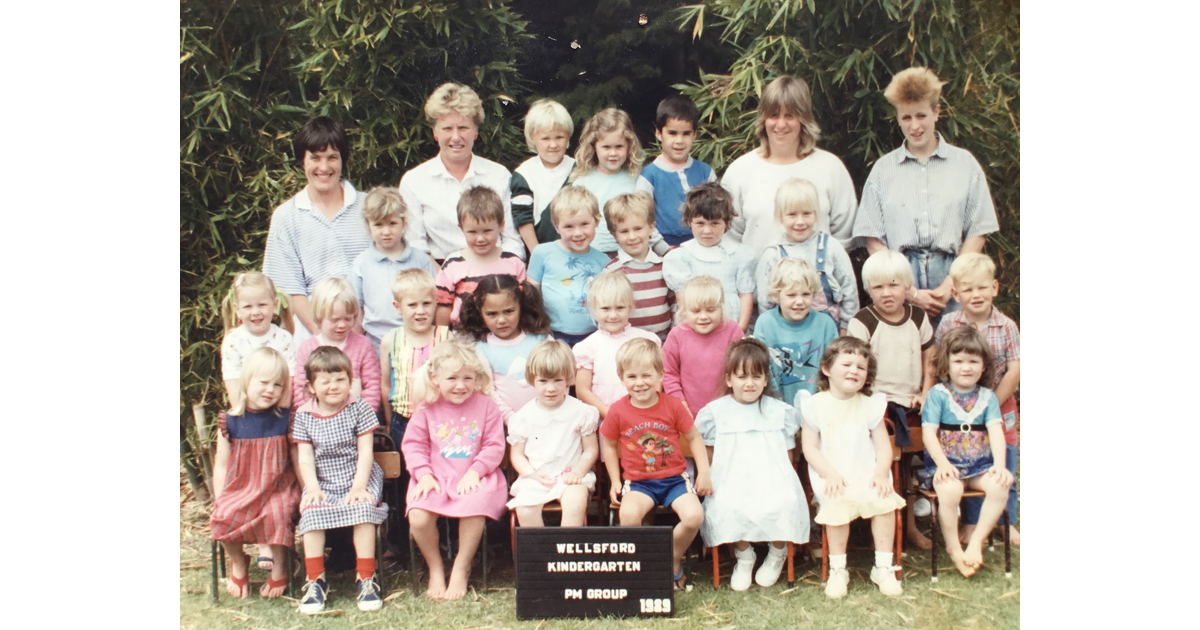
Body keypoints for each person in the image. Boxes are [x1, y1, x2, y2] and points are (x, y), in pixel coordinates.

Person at [852, 67, 1000, 329]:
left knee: (959, 358)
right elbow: (873, 237)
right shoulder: (883, 170)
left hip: (955, 276)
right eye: (906, 117)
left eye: (921, 115)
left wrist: (952, 283)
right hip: (899, 280)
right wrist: (908, 291)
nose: (915, 126)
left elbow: (978, 230)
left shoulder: (964, 164)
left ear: (937, 112)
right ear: (897, 117)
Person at [695, 338, 808, 591]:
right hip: (731, 475)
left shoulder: (779, 411)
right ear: (729, 379)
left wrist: (784, 482)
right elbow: (710, 453)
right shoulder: (716, 412)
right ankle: (744, 557)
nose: (749, 383)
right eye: (742, 377)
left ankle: (777, 552)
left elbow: (787, 455)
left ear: (766, 380)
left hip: (772, 475)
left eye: (757, 377)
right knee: (729, 504)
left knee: (784, 502)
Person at [600, 338, 712, 591]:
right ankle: (646, 565)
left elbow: (694, 437)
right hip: (639, 483)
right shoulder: (617, 411)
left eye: (647, 375)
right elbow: (608, 445)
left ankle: (671, 556)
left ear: (661, 374)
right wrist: (616, 481)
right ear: (621, 377)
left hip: (674, 480)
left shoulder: (672, 406)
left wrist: (703, 473)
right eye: (632, 376)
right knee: (628, 515)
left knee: (694, 516)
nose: (640, 383)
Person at [799, 337, 907, 598]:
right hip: (832, 474)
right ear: (826, 369)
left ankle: (882, 566)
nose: (854, 371)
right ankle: (838, 569)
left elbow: (883, 448)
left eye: (861, 367)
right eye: (846, 364)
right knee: (836, 502)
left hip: (866, 472)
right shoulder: (815, 405)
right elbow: (810, 448)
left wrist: (881, 473)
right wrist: (830, 474)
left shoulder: (870, 405)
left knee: (883, 500)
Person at [402, 337, 508, 600]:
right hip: (435, 476)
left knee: (474, 507)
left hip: (476, 475)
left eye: (468, 378)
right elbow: (414, 446)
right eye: (452, 379)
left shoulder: (487, 406)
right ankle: (436, 567)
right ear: (435, 377)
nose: (461, 386)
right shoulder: (426, 408)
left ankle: (461, 566)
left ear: (477, 377)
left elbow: (494, 446)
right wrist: (424, 475)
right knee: (419, 516)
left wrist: (475, 472)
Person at [928, 253, 1020, 545]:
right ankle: (971, 521)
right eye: (967, 289)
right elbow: (937, 362)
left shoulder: (1006, 326)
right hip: (959, 406)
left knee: (1004, 457)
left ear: (994, 287)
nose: (975, 295)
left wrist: (988, 403)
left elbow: (1015, 370)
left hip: (998, 402)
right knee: (968, 458)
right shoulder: (949, 322)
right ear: (955, 293)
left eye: (982, 288)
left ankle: (1008, 521)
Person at [847, 249, 935, 549]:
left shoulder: (918, 317)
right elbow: (855, 365)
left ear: (907, 286)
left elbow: (929, 358)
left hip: (910, 403)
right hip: (876, 408)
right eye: (878, 287)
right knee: (879, 467)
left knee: (906, 469)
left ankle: (908, 527)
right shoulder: (863, 320)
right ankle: (873, 530)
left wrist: (925, 392)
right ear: (868, 289)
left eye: (894, 285)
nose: (887, 293)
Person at [292, 346, 389, 614]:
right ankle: (315, 581)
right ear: (311, 386)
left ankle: (366, 578)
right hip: (322, 479)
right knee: (311, 514)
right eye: (325, 381)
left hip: (358, 474)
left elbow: (366, 452)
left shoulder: (359, 408)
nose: (334, 386)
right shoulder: (303, 415)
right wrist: (312, 488)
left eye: (340, 379)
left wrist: (359, 486)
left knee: (362, 511)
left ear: (350, 381)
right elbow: (305, 459)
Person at [263, 116, 372, 344]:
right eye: (315, 158)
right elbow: (290, 291)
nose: (324, 167)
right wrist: (324, 336)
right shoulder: (286, 217)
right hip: (312, 332)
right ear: (303, 161)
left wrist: (358, 332)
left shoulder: (370, 208)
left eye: (332, 157)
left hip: (370, 326)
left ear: (343, 159)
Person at [721, 75, 857, 256]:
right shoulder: (740, 171)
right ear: (763, 119)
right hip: (758, 282)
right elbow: (728, 238)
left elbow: (844, 237)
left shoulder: (831, 167)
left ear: (804, 119)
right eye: (773, 115)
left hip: (816, 281)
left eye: (790, 116)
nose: (781, 124)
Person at [209, 347, 301, 599]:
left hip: (278, 487)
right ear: (246, 381)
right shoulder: (230, 420)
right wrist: (220, 496)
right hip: (242, 487)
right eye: (263, 382)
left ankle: (281, 565)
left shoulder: (285, 419)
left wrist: (306, 490)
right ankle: (239, 561)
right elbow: (221, 463)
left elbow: (296, 460)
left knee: (277, 514)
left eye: (278, 385)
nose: (270, 390)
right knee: (223, 515)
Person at [921, 327, 1013, 577]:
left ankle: (975, 543)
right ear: (946, 364)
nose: (966, 367)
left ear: (983, 366)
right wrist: (941, 464)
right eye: (959, 361)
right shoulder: (938, 394)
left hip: (979, 465)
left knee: (999, 485)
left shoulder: (987, 397)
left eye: (973, 361)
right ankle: (953, 547)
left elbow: (995, 432)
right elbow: (929, 433)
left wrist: (1000, 464)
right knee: (950, 490)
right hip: (946, 465)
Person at [401, 82, 524, 263]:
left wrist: (493, 276)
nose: (456, 137)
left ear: (475, 131)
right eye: (447, 128)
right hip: (438, 277)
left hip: (495, 275)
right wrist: (448, 279)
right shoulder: (414, 181)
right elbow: (416, 247)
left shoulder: (499, 176)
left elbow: (512, 241)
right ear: (435, 132)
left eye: (464, 128)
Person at [507, 339, 601, 527]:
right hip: (536, 477)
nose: (551, 388)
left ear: (568, 378)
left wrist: (578, 472)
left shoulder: (581, 412)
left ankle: (566, 554)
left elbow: (591, 449)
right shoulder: (524, 416)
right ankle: (540, 555)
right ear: (532, 379)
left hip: (572, 477)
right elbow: (516, 454)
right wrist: (530, 474)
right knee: (525, 509)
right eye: (543, 381)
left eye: (558, 380)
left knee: (575, 505)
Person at [754, 178, 858, 334]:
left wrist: (846, 327)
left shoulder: (831, 247)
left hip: (829, 333)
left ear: (816, 213)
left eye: (807, 213)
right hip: (786, 333)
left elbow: (849, 289)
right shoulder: (773, 254)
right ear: (780, 215)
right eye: (792, 215)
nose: (800, 221)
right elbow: (765, 302)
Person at [348, 186, 440, 355]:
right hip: (376, 343)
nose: (386, 231)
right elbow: (356, 309)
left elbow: (436, 300)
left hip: (419, 343)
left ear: (404, 222)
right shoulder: (361, 264)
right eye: (378, 225)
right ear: (368, 225)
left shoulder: (420, 260)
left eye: (392, 223)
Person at [569, 107, 670, 255]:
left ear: (629, 146)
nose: (613, 153)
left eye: (619, 146)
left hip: (631, 252)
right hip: (593, 253)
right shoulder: (582, 181)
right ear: (593, 147)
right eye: (606, 147)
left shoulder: (637, 179)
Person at [457, 274, 553, 423]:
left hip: (550, 419)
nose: (501, 320)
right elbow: (488, 391)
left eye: (509, 311)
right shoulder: (481, 349)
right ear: (479, 310)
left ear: (520, 305)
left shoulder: (541, 339)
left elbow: (559, 375)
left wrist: (553, 410)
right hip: (508, 425)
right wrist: (512, 420)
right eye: (492, 314)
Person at [662, 183, 756, 332]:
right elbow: (684, 301)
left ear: (727, 223)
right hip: (696, 326)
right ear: (689, 221)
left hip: (731, 326)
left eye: (714, 223)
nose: (707, 230)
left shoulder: (740, 255)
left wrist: (740, 329)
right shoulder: (681, 256)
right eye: (700, 223)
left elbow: (745, 295)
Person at [526, 186, 612, 346]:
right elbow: (531, 294)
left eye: (584, 224)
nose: (577, 233)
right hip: (552, 335)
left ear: (597, 221)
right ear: (556, 226)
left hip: (594, 336)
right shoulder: (542, 253)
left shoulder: (604, 261)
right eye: (569, 226)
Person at [573, 270, 663, 420]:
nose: (613, 315)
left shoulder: (647, 340)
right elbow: (582, 390)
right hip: (606, 418)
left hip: (644, 416)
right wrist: (611, 416)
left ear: (631, 306)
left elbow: (658, 380)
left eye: (620, 308)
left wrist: (647, 409)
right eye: (605, 308)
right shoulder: (587, 347)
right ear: (594, 308)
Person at [433, 186, 527, 326]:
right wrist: (442, 339)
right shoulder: (453, 264)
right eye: (472, 232)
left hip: (505, 331)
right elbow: (443, 305)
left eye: (487, 231)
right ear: (461, 228)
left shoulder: (513, 262)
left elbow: (522, 303)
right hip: (465, 334)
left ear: (501, 225)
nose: (480, 238)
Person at [753, 259, 839, 407]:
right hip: (776, 406)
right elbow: (760, 367)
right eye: (791, 295)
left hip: (819, 407)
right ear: (776, 295)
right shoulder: (765, 323)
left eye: (806, 294)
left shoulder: (825, 324)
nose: (799, 301)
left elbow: (835, 368)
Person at [635, 94, 717, 246]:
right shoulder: (649, 176)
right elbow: (642, 219)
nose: (679, 141)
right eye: (672, 133)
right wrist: (663, 249)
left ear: (695, 134)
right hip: (666, 248)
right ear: (659, 133)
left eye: (686, 133)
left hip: (704, 245)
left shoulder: (705, 171)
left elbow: (719, 213)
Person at [292, 277, 381, 412]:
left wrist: (363, 418)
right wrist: (313, 417)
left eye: (348, 318)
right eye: (334, 320)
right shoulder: (307, 349)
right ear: (319, 317)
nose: (342, 325)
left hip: (357, 419)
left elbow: (372, 386)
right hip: (317, 421)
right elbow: (300, 389)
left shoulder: (363, 345)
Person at [663, 276, 744, 415]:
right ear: (685, 311)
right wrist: (680, 405)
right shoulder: (677, 335)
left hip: (727, 411)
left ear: (721, 308)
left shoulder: (732, 330)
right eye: (696, 311)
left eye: (710, 310)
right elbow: (668, 374)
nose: (703, 316)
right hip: (687, 413)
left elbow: (743, 368)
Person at [220, 271, 296, 421]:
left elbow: (288, 382)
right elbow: (233, 384)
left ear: (274, 305)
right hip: (246, 415)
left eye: (262, 305)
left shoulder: (283, 339)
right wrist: (245, 417)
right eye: (247, 306)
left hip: (279, 414)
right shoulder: (233, 341)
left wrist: (280, 417)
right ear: (238, 310)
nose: (255, 312)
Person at [604, 192, 675, 341]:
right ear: (614, 235)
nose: (632, 237)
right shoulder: (611, 272)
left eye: (638, 229)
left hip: (663, 341)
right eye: (624, 231)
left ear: (651, 228)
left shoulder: (665, 265)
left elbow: (674, 304)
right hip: (627, 345)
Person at [510, 99, 576, 250]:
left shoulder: (577, 168)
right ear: (533, 138)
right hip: (540, 249)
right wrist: (537, 253)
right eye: (545, 138)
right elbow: (522, 218)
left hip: (576, 249)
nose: (553, 144)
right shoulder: (524, 174)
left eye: (559, 137)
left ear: (568, 137)